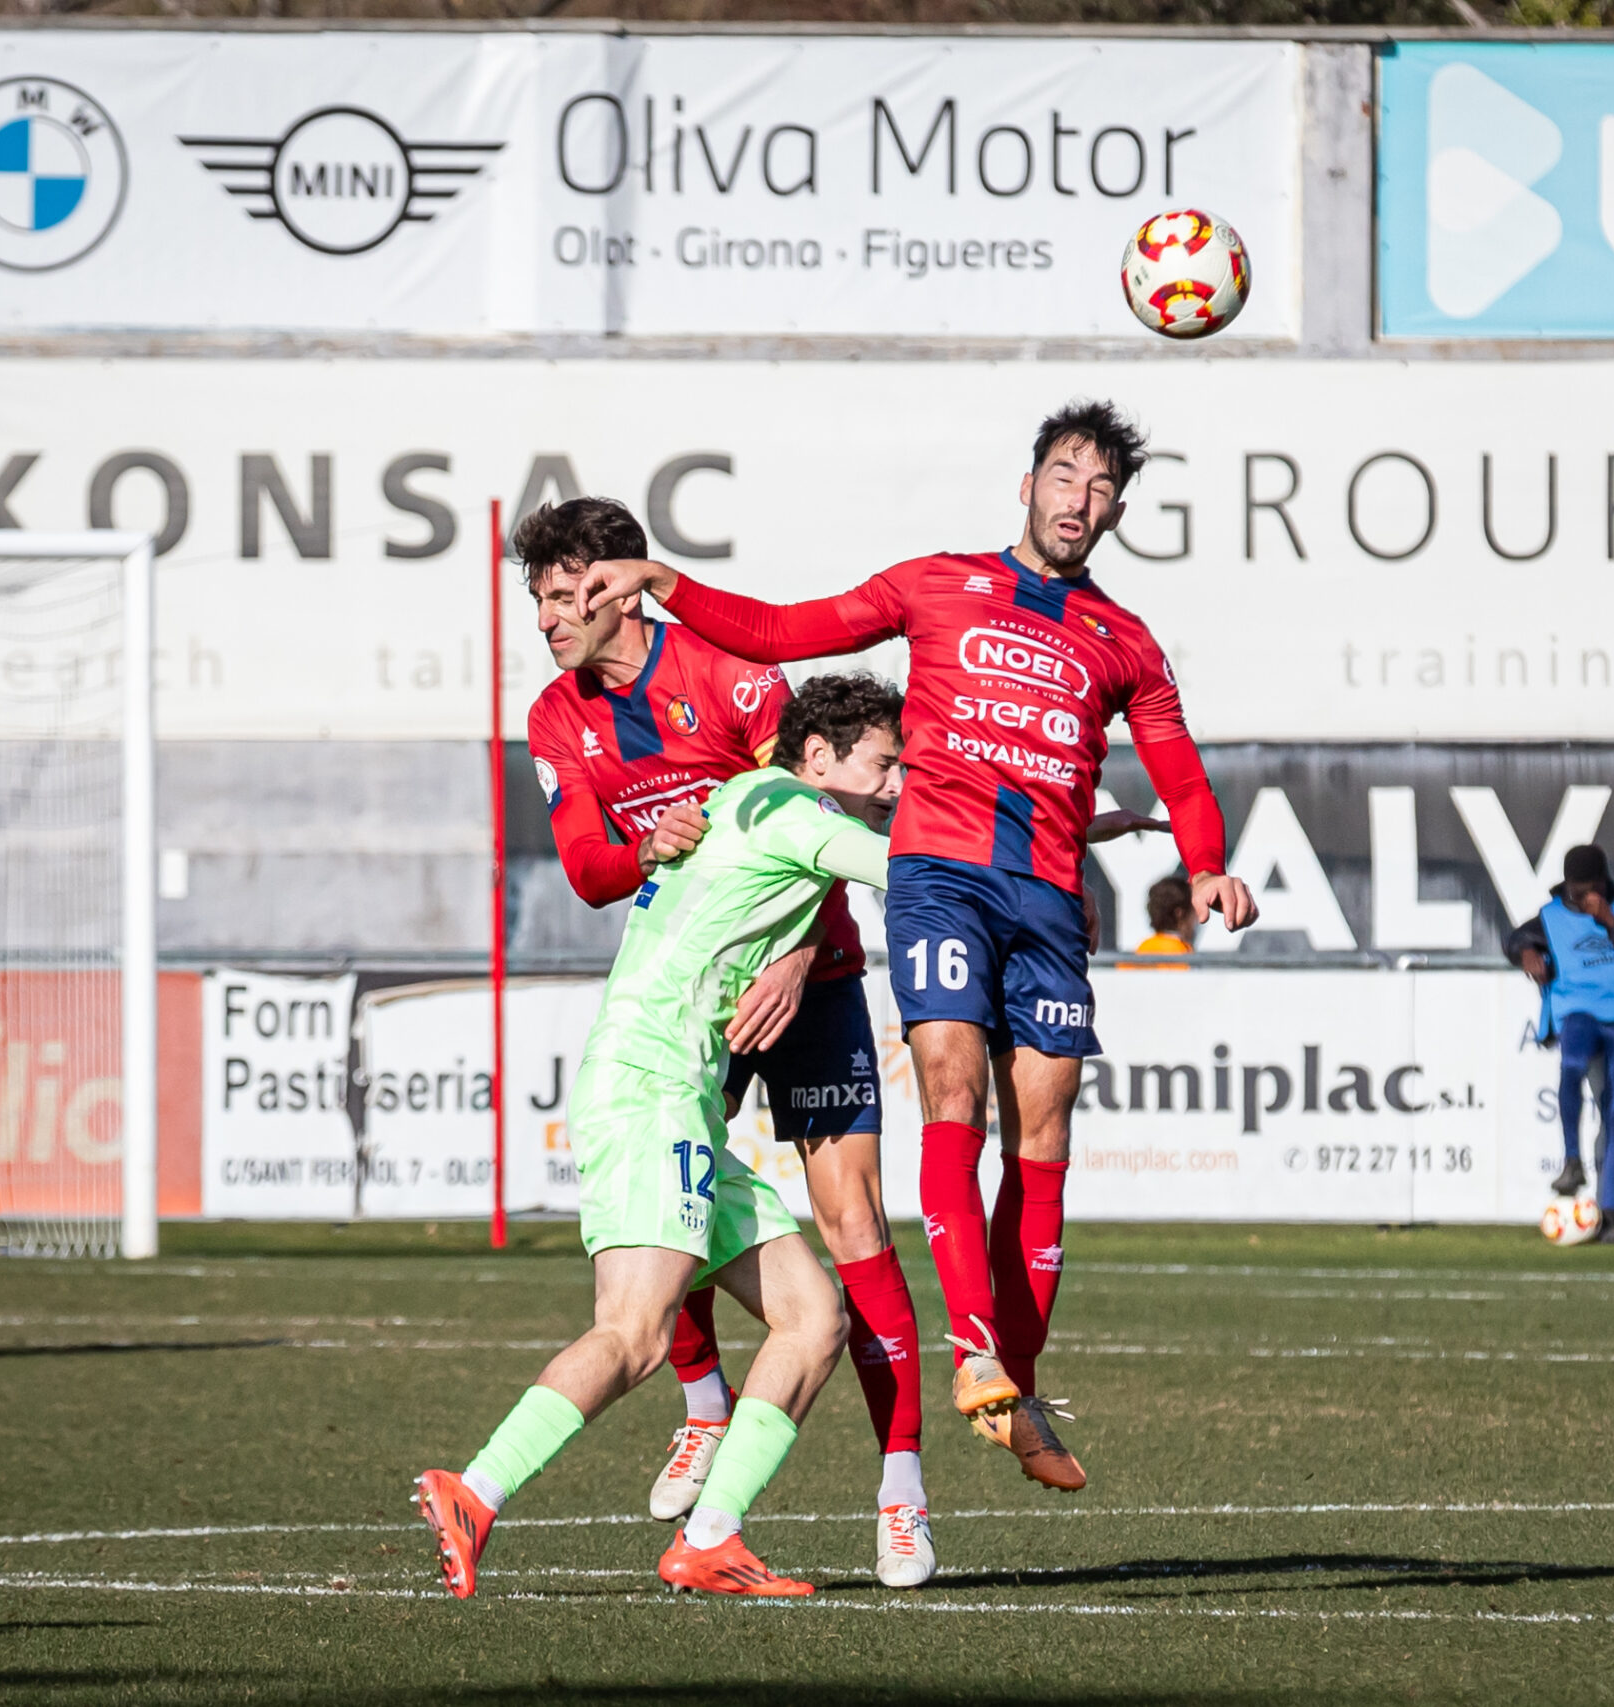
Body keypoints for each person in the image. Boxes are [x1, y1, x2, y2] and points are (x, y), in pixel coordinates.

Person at [574, 400, 1259, 1493]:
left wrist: (1208, 857)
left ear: (1116, 514)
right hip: (937, 876)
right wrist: (667, 582)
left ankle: (1014, 1382)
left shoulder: (1125, 641)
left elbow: (1174, 758)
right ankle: (971, 1349)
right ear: (1028, 485)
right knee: (952, 1092)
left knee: (1046, 1126)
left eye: (1099, 489)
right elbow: (785, 631)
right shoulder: (935, 583)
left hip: (1046, 893)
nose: (1078, 500)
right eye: (1063, 476)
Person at [415, 673, 906, 1601]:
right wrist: (1045, 835)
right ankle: (473, 1489)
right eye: (884, 764)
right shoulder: (796, 811)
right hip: (653, 1092)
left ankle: (710, 1537)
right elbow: (915, 865)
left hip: (679, 1100)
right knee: (635, 1333)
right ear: (818, 755)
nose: (894, 783)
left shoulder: (744, 797)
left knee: (813, 1316)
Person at [517, 498, 933, 1588]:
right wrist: (641, 847)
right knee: (680, 1192)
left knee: (852, 1222)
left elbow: (812, 820)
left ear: (617, 587)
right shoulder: (555, 716)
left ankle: (901, 1490)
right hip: (703, 1001)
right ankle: (705, 1407)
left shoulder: (730, 677)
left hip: (813, 977)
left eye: (568, 593)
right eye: (541, 598)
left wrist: (797, 960)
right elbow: (588, 871)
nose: (551, 616)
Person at [1503, 845, 1614, 1245]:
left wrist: (1610, 921)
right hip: (1579, 1014)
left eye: (1589, 888)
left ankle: (1610, 1217)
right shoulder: (1552, 916)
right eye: (1576, 889)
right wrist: (1526, 951)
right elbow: (1515, 938)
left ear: (1602, 884)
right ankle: (1572, 1161)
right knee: (1571, 1067)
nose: (1581, 896)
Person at [1135, 875, 1195, 955]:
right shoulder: (1183, 951)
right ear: (1179, 913)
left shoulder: (1142, 947)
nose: (1196, 919)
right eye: (1193, 911)